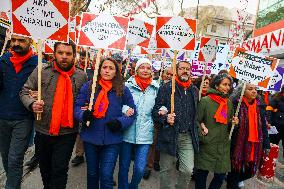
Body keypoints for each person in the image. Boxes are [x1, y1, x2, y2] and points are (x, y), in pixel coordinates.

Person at [20, 41, 87, 189]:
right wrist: (32, 103)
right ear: (54, 53)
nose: (64, 57)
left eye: (68, 54)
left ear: (74, 55)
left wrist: (87, 108)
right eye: (60, 53)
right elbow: (24, 91)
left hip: (68, 132)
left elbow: (86, 102)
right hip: (43, 129)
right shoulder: (42, 70)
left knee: (59, 170)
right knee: (45, 168)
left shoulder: (82, 76)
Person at [74, 57, 136, 189]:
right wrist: (83, 114)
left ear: (116, 72)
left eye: (111, 68)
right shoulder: (89, 87)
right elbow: (77, 107)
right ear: (99, 69)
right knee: (92, 173)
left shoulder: (123, 89)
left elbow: (132, 112)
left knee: (106, 175)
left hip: (112, 140)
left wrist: (120, 123)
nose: (107, 71)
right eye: (104, 67)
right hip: (90, 137)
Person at [152, 61, 200, 189]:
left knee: (188, 170)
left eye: (188, 69)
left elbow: (196, 113)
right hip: (169, 134)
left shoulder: (194, 90)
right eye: (182, 68)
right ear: (176, 70)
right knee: (166, 170)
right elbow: (155, 111)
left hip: (187, 136)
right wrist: (165, 117)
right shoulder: (166, 88)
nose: (185, 71)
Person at [0, 34, 38, 189]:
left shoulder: (38, 65)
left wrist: (38, 94)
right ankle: (13, 184)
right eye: (13, 40)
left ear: (30, 41)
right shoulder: (3, 61)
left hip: (23, 118)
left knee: (15, 158)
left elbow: (43, 89)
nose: (16, 43)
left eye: (21, 40)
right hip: (2, 116)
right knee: (6, 158)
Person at [118, 58, 159, 188]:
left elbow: (160, 105)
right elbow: (118, 103)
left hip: (145, 134)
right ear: (136, 70)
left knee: (140, 169)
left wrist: (163, 109)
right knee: (123, 167)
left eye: (148, 68)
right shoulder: (126, 86)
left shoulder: (156, 88)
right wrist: (124, 109)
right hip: (127, 132)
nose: (145, 70)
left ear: (152, 71)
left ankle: (133, 186)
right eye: (142, 67)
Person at [194, 73, 238, 189]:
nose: (227, 87)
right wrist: (203, 137)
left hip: (223, 145)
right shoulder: (205, 101)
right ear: (217, 86)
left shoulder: (228, 103)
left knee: (220, 176)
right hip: (207, 143)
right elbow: (196, 121)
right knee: (201, 174)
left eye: (229, 85)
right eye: (224, 84)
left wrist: (233, 123)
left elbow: (227, 123)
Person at [227, 83, 270, 189]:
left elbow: (263, 127)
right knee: (235, 172)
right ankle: (232, 183)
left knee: (250, 172)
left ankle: (232, 180)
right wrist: (233, 123)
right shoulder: (234, 105)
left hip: (255, 146)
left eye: (255, 89)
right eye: (250, 89)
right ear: (242, 91)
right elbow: (227, 124)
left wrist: (266, 144)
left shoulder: (260, 106)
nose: (254, 91)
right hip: (237, 145)